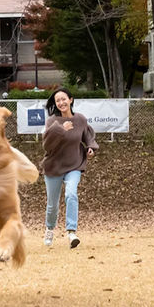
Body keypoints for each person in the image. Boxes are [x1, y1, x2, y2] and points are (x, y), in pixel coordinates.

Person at [41, 88, 98, 249]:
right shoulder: (52, 121)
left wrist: (91, 148)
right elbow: (46, 146)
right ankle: (50, 229)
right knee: (52, 204)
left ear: (71, 100)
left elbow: (88, 136)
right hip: (54, 166)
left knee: (71, 193)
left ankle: (71, 232)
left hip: (74, 164)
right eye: (58, 100)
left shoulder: (80, 119)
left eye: (64, 99)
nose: (61, 103)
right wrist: (60, 129)